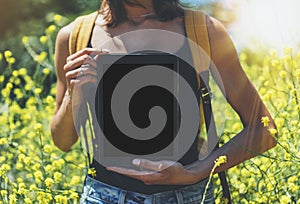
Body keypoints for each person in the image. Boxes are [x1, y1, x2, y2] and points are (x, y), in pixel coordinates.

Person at [50, 0, 277, 203]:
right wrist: (73, 93)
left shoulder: (203, 31)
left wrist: (196, 172)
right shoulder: (75, 36)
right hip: (102, 195)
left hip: (186, 196)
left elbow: (264, 129)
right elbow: (62, 140)